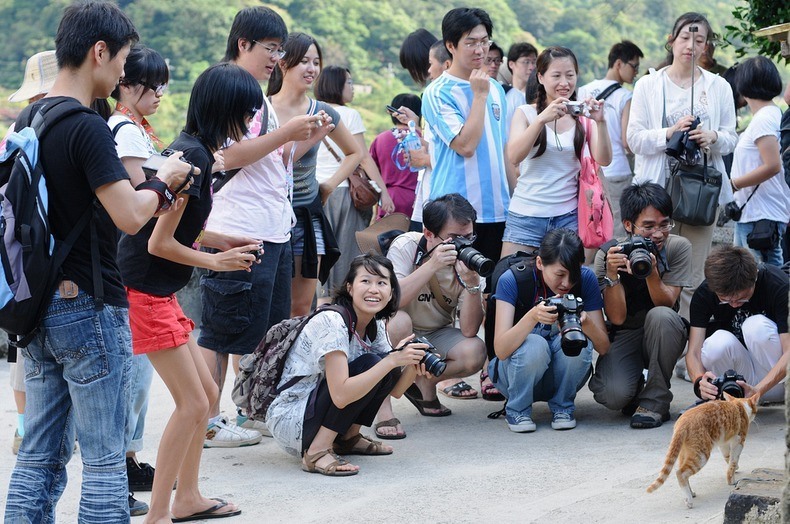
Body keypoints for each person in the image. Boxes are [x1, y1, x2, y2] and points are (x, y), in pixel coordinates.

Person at [4, 3, 193, 521]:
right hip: (89, 306)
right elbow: (131, 216)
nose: (122, 74)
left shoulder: (32, 117)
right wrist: (165, 181)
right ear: (99, 52)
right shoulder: (88, 126)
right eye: (122, 61)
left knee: (40, 454)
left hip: (38, 307)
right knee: (106, 460)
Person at [119, 61, 262, 523]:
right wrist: (217, 261)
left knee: (202, 391)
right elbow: (160, 243)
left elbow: (179, 229)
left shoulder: (192, 150)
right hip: (144, 288)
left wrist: (223, 242)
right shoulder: (194, 157)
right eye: (245, 114)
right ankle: (160, 512)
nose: (247, 125)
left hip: (157, 288)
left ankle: (188, 497)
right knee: (195, 402)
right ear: (227, 111)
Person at [199, 7, 319, 447]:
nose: (277, 58)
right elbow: (227, 157)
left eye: (279, 49)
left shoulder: (257, 95)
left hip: (272, 228)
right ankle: (208, 420)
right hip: (237, 228)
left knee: (261, 332)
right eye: (270, 48)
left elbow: (271, 163)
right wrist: (287, 133)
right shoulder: (227, 88)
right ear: (243, 43)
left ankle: (247, 412)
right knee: (221, 331)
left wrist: (301, 138)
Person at [266, 253, 428, 476]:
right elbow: (341, 394)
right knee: (375, 363)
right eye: (366, 281)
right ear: (350, 288)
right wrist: (392, 360)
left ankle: (348, 439)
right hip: (293, 419)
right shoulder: (332, 321)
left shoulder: (375, 324)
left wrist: (409, 363)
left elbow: (396, 391)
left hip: (315, 413)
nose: (374, 289)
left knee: (382, 365)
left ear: (391, 292)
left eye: (382, 283)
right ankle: (316, 452)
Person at [94, 44, 170, 516]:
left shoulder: (135, 128)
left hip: (136, 266)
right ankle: (117, 471)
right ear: (126, 84)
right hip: (132, 266)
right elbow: (137, 205)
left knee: (136, 376)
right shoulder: (123, 130)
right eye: (152, 85)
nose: (160, 94)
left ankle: (128, 458)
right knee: (128, 377)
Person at [626, 12, 737, 321]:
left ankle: (690, 349)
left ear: (706, 48)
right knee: (648, 266)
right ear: (671, 41)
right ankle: (652, 343)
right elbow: (633, 139)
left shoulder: (719, 87)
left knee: (695, 274)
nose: (691, 45)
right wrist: (669, 133)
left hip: (700, 193)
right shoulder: (649, 85)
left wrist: (711, 137)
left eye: (699, 40)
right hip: (657, 193)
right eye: (685, 38)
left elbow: (731, 138)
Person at [267, 32, 362, 317]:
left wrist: (329, 185)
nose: (312, 69)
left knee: (301, 307)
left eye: (316, 62)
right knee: (268, 304)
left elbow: (355, 152)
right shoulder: (263, 108)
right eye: (304, 62)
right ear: (283, 64)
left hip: (307, 218)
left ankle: (293, 361)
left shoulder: (321, 111)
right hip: (268, 214)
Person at [588, 183, 691, 429]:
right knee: (612, 395)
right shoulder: (610, 254)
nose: (658, 233)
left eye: (664, 224)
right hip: (626, 331)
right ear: (628, 225)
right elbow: (617, 317)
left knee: (661, 316)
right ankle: (636, 390)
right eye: (648, 226)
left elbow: (667, 303)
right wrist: (613, 275)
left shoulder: (678, 247)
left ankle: (656, 401)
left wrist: (652, 272)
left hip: (664, 331)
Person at [381, 194, 488, 425]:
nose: (463, 245)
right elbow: (391, 302)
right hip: (399, 331)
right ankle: (383, 406)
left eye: (468, 237)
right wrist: (432, 265)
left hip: (436, 335)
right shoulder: (407, 246)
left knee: (475, 351)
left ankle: (424, 382)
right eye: (454, 239)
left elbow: (470, 330)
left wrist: (471, 284)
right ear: (429, 233)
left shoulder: (470, 262)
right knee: (399, 320)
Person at [421, 7, 511, 280]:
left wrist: (514, 198)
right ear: (451, 46)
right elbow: (465, 145)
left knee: (493, 289)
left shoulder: (495, 88)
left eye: (484, 41)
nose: (480, 50)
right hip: (455, 214)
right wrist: (479, 96)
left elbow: (502, 148)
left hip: (498, 209)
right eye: (470, 42)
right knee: (455, 288)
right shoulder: (438, 92)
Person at [489, 228, 609, 432]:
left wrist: (585, 322)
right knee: (535, 344)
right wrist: (532, 317)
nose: (567, 283)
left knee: (579, 341)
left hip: (560, 374)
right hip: (513, 372)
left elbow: (604, 347)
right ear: (539, 263)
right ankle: (517, 410)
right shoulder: (513, 279)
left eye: (574, 274)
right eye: (560, 274)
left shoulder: (586, 279)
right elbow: (500, 350)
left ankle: (563, 407)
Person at [504, 46, 612, 255]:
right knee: (511, 279)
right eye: (556, 75)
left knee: (565, 284)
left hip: (568, 217)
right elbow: (514, 156)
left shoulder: (583, 119)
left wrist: (600, 122)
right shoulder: (525, 113)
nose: (564, 83)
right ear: (541, 77)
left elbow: (604, 160)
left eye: (570, 75)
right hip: (526, 215)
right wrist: (542, 118)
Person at [3, 49, 57, 459]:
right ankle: (28, 426)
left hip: (20, 261)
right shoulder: (50, 127)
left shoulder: (19, 130)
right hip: (41, 259)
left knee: (25, 348)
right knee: (29, 352)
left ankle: (27, 426)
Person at [315, 65, 394, 306]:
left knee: (319, 257)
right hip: (345, 194)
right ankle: (340, 310)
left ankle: (318, 308)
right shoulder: (349, 115)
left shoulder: (313, 111)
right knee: (345, 257)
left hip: (317, 192)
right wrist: (383, 193)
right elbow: (362, 156)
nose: (352, 88)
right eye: (348, 82)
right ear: (336, 85)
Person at [686, 246, 789, 403]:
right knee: (716, 342)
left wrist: (759, 390)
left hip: (781, 378)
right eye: (725, 299)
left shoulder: (778, 285)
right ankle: (732, 394)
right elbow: (693, 352)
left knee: (755, 326)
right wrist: (699, 381)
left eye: (742, 298)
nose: (734, 304)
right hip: (747, 385)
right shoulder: (705, 294)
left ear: (754, 278)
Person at [578, 40, 644, 238]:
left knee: (589, 223)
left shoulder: (584, 90)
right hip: (616, 170)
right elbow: (626, 141)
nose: (636, 72)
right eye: (634, 66)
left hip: (589, 170)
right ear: (618, 64)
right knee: (616, 226)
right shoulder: (625, 97)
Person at [729, 56, 789, 267]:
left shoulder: (764, 119)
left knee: (762, 281)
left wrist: (734, 184)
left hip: (760, 215)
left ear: (744, 85)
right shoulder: (772, 114)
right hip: (756, 212)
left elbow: (773, 165)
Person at [370, 93, 422, 218]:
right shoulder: (422, 138)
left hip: (388, 199)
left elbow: (370, 170)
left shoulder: (380, 139)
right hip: (416, 199)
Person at [504, 42, 538, 133]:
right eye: (526, 62)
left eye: (534, 62)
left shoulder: (539, 96)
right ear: (511, 64)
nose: (531, 67)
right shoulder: (503, 93)